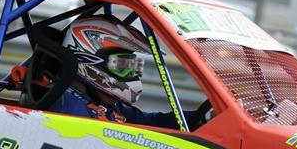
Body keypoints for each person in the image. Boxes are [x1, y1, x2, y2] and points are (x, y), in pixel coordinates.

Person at [47, 15, 201, 129]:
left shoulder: (107, 105)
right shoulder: (65, 107)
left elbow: (151, 123)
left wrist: (200, 118)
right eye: (122, 64)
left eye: (134, 65)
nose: (132, 74)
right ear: (88, 58)